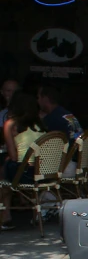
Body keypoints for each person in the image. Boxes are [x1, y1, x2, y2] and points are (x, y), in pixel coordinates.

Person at [1, 92, 46, 230]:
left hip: (24, 172)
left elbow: (14, 156)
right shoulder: (41, 125)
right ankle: (29, 209)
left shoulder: (11, 124)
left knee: (3, 175)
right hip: (44, 173)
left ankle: (5, 217)